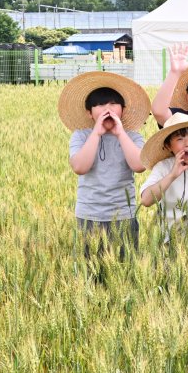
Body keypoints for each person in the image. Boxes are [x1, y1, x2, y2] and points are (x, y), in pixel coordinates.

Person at [60, 71, 151, 259]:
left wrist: (120, 133)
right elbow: (79, 167)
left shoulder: (132, 136)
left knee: (124, 270)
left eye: (113, 104)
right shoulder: (82, 135)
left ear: (123, 110)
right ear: (89, 113)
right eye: (100, 104)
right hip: (89, 215)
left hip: (124, 215)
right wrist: (97, 133)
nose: (106, 109)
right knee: (90, 270)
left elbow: (139, 165)